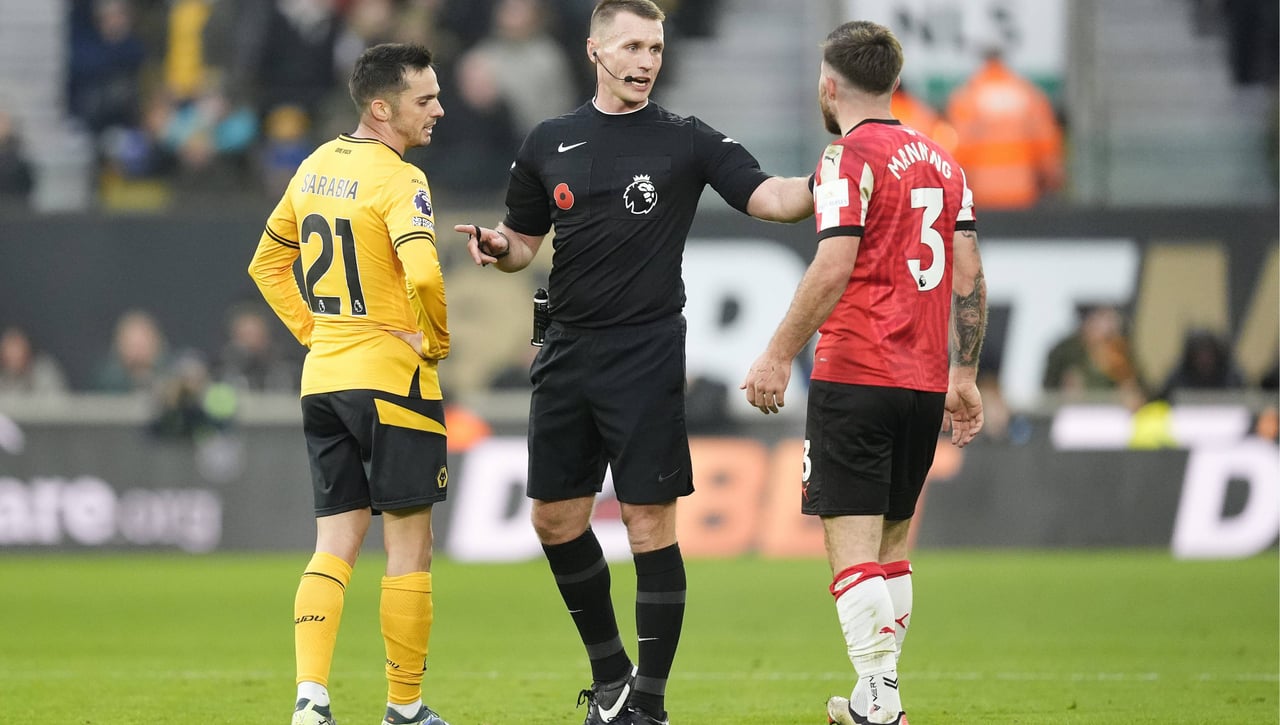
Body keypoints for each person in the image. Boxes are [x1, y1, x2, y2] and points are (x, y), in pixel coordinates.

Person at [456, 2, 813, 723]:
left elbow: (771, 198)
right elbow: (523, 242)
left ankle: (648, 703)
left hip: (646, 352)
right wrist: (499, 248)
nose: (646, 60)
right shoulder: (548, 140)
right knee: (554, 520)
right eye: (632, 46)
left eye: (655, 47)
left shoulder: (686, 139)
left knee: (649, 525)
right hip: (565, 350)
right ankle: (613, 676)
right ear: (595, 50)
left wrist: (824, 182)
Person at [740, 21, 986, 725]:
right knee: (891, 547)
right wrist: (965, 373)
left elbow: (833, 264)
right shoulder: (944, 163)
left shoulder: (847, 157)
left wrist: (777, 352)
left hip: (856, 374)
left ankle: (880, 701)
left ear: (829, 85)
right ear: (894, 82)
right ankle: (867, 697)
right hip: (923, 383)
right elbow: (969, 274)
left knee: (850, 549)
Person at [247, 42, 451, 725]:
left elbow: (267, 263)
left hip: (324, 379)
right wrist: (436, 340)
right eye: (425, 99)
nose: (438, 110)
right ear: (382, 108)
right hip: (393, 379)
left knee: (333, 542)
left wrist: (316, 332)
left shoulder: (313, 166)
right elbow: (423, 273)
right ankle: (405, 706)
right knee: (409, 544)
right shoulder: (401, 178)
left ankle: (310, 698)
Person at [945, 46, 1064, 210]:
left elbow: (957, 152)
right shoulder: (1030, 95)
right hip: (1022, 193)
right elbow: (1046, 148)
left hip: (982, 195)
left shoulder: (966, 98)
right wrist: (1051, 181)